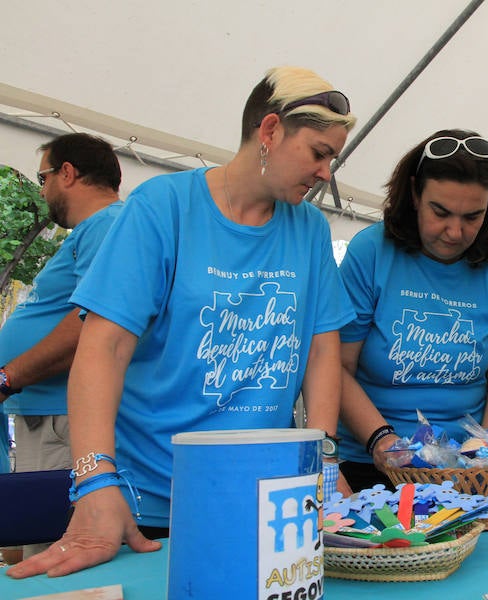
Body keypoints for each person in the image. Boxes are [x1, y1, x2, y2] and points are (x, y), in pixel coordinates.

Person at [6, 66, 357, 579]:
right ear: (270, 130)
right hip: (150, 508)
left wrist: (324, 459)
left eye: (333, 158)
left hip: (266, 504)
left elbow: (322, 349)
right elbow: (102, 350)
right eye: (319, 153)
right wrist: (94, 481)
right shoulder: (163, 208)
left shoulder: (307, 229)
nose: (326, 172)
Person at [336, 129, 488, 491]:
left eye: (473, 217)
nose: (455, 232)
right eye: (440, 212)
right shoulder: (371, 252)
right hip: (372, 467)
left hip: (464, 471)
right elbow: (337, 366)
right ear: (414, 194)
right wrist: (380, 439)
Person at [0, 134, 123, 558]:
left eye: (43, 178)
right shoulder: (94, 231)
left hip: (63, 421)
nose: (42, 190)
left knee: (58, 559)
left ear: (67, 173)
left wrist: (8, 376)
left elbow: (95, 322)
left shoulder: (107, 223)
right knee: (36, 549)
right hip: (47, 417)